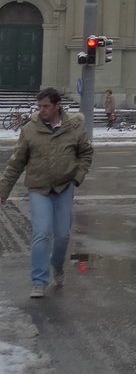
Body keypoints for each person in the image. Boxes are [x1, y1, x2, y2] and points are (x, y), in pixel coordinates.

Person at [0, 87, 94, 298]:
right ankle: (39, 280)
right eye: (39, 106)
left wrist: (77, 177)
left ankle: (57, 265)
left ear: (57, 106)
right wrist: (3, 191)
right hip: (38, 188)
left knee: (62, 236)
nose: (41, 110)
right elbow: (16, 163)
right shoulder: (30, 129)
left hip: (63, 187)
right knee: (41, 233)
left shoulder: (74, 127)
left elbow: (86, 154)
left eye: (46, 106)